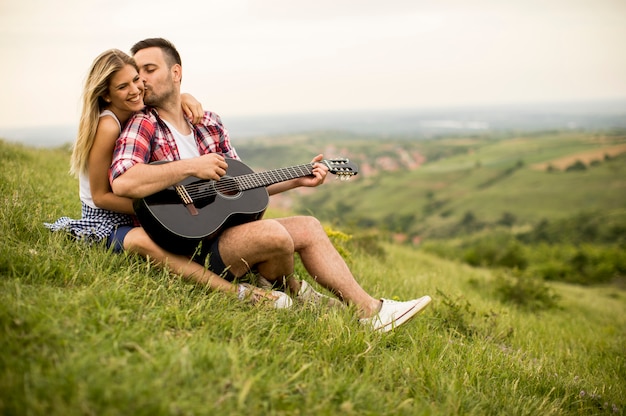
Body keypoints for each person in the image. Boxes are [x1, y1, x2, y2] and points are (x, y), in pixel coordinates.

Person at [110, 38, 432, 332]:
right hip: (184, 246)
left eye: (149, 70)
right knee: (276, 234)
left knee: (309, 226)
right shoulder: (143, 124)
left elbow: (238, 188)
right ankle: (286, 289)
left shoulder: (208, 122)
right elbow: (123, 179)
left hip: (223, 237)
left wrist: (296, 180)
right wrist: (193, 166)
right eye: (138, 74)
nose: (142, 81)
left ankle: (372, 312)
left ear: (176, 72)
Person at [45, 49, 292, 307]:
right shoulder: (108, 125)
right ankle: (238, 294)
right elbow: (101, 196)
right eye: (122, 86)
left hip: (136, 209)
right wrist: (168, 209)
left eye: (136, 79)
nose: (135, 89)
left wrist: (184, 96)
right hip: (106, 217)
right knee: (144, 241)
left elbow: (166, 101)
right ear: (106, 94)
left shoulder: (133, 112)